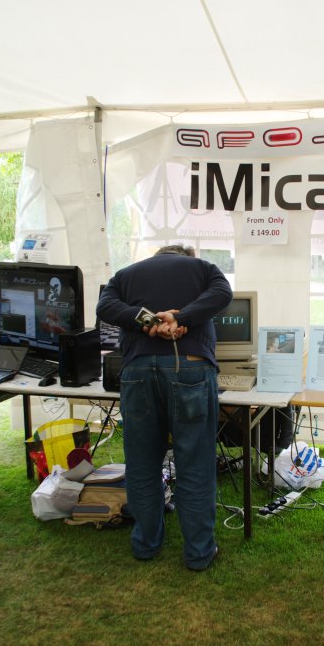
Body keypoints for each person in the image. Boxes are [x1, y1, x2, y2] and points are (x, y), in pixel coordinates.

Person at [96, 244, 232, 571]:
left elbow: (105, 306)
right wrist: (179, 317)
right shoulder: (201, 268)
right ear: (186, 256)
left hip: (137, 373)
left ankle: (145, 545)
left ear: (157, 256)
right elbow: (223, 292)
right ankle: (199, 553)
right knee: (195, 465)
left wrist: (146, 321)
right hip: (190, 369)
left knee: (142, 465)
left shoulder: (126, 275)